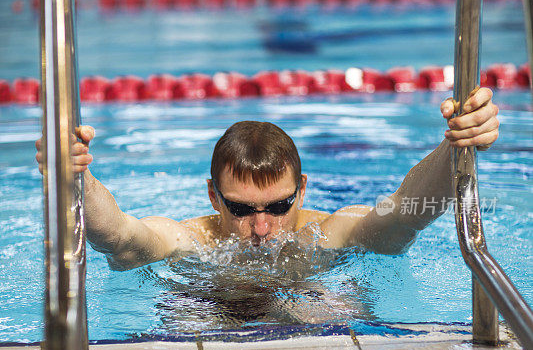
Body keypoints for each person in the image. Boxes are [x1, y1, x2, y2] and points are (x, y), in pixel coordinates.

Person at [35, 87, 499, 271]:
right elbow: (119, 236)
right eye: (241, 209)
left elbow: (401, 217)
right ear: (213, 197)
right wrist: (75, 176)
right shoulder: (188, 239)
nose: (262, 228)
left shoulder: (328, 231)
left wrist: (456, 145)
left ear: (302, 191)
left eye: (279, 207)